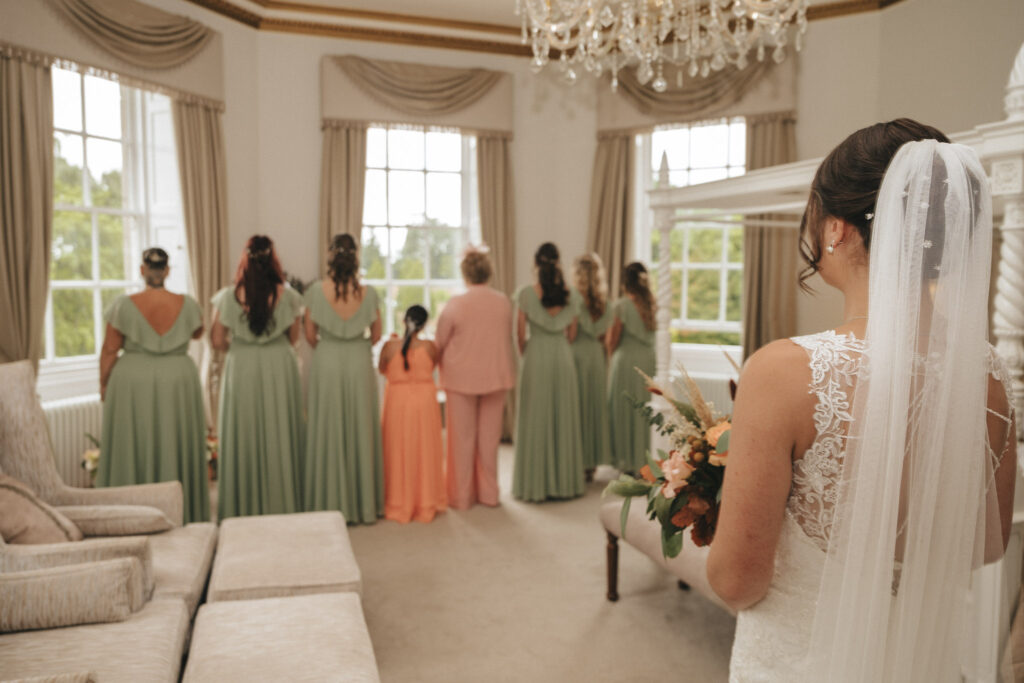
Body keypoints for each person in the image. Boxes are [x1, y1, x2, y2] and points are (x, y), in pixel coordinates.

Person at [707, 121, 1018, 682]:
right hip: (923, 662)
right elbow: (985, 546)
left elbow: (735, 581)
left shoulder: (783, 372)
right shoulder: (991, 375)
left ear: (836, 228)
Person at [98, 248, 209, 523]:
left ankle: (128, 514)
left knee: (132, 442)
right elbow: (197, 332)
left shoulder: (123, 305)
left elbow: (110, 350)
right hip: (177, 380)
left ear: (142, 270)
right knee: (175, 437)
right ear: (167, 271)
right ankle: (181, 511)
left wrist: (103, 384)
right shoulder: (188, 304)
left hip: (132, 383)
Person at [211, 235, 303, 520]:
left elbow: (216, 340)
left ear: (245, 258)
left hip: (242, 366)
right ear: (273, 259)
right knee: (279, 429)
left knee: (243, 429)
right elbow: (294, 338)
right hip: (278, 364)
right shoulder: (287, 296)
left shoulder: (228, 296)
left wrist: (240, 345)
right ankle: (281, 502)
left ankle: (243, 506)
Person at [304, 233, 383, 524]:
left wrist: (331, 346)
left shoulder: (315, 291)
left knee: (329, 427)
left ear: (330, 256)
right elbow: (376, 335)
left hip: (328, 359)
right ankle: (363, 504)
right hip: (359, 360)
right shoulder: (369, 293)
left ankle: (330, 502)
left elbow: (310, 335)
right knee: (360, 426)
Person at [434, 246, 516, 509]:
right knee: (489, 440)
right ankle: (489, 494)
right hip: (495, 376)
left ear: (465, 273)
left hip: (461, 379)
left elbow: (439, 342)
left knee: (461, 440)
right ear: (488, 272)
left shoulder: (456, 304)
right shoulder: (503, 301)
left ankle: (461, 496)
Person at [512, 242, 585, 502]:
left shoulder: (524, 294)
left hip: (536, 356)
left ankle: (535, 485)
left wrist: (529, 354)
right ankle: (564, 484)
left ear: (535, 264)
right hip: (562, 356)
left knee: (536, 417)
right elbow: (573, 334)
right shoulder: (572, 295)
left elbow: (519, 336)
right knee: (563, 416)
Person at [379, 305, 446, 523]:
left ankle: (398, 500)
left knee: (397, 450)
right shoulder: (430, 346)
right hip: (424, 402)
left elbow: (382, 369)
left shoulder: (389, 346)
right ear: (424, 324)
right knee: (425, 449)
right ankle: (426, 500)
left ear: (404, 320)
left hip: (398, 402)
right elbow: (434, 366)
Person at [605, 262, 656, 473]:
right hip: (649, 361)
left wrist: (610, 358)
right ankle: (645, 461)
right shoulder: (653, 305)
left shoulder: (621, 306)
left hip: (626, 362)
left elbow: (611, 340)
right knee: (646, 411)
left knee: (624, 409)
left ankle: (627, 460)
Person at [570, 253, 613, 481]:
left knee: (576, 408)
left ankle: (575, 460)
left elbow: (572, 332)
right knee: (594, 407)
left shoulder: (573, 299)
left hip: (576, 354)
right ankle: (590, 466)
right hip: (596, 357)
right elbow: (605, 336)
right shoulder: (605, 302)